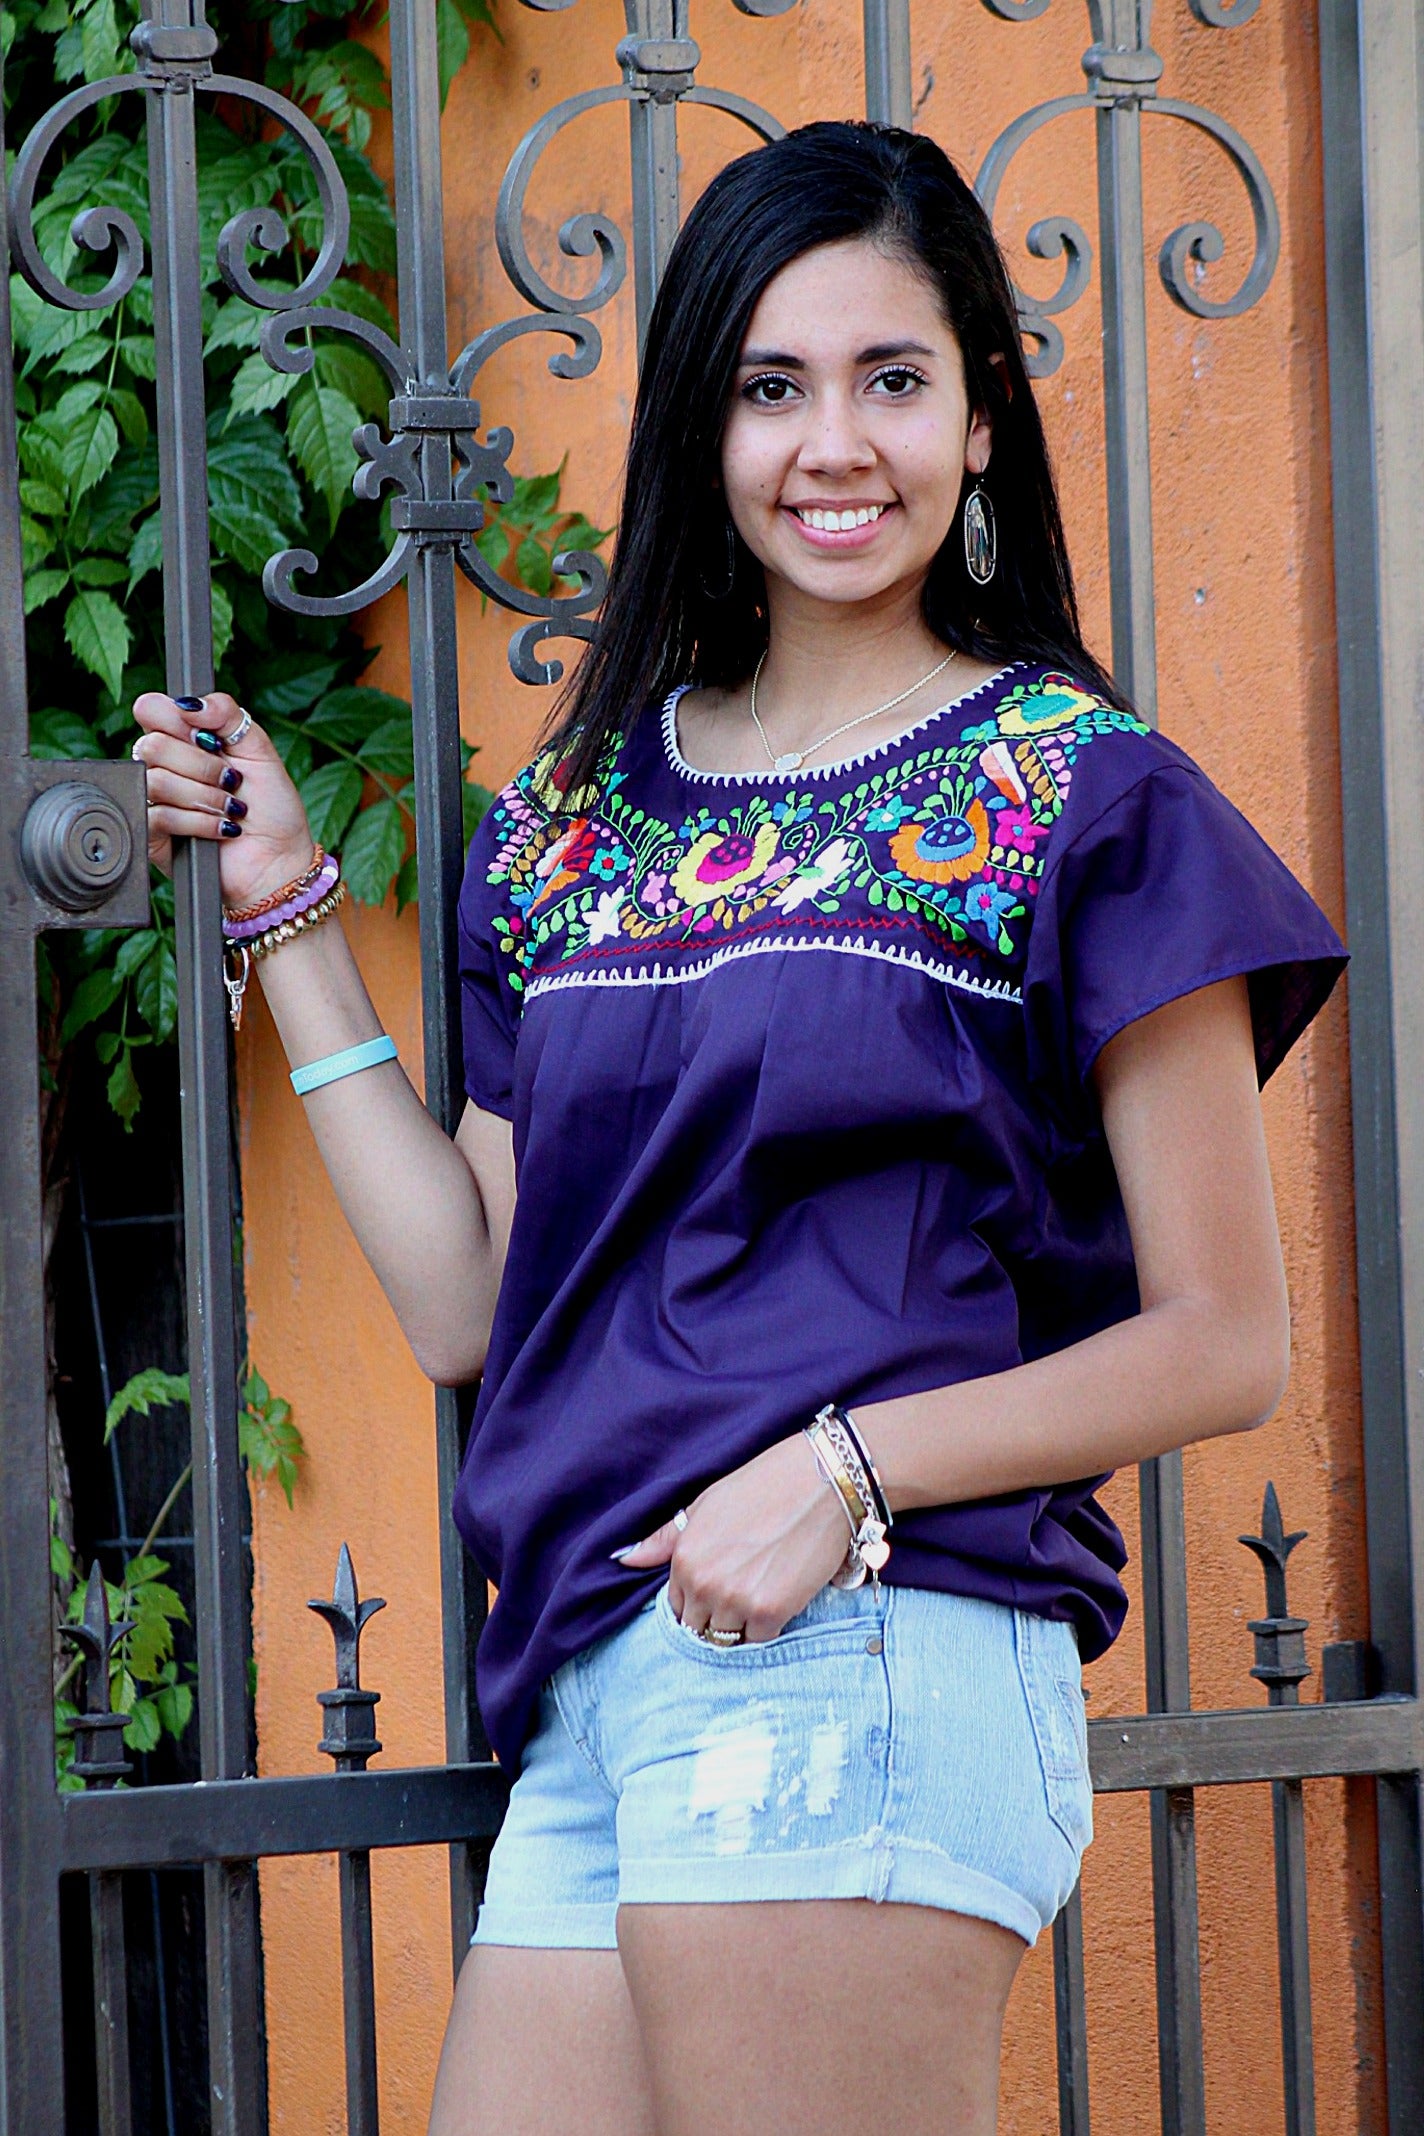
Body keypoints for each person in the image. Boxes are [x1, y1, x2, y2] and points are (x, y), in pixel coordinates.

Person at [132, 121, 1345, 2136]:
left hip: (866, 1644)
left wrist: (843, 1471)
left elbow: (1225, 1339)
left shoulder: (1080, 800)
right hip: (608, 1672)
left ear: (980, 416)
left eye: (892, 378)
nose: (831, 444)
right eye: (771, 386)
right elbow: (467, 1305)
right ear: (704, 422)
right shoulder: (579, 818)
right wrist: (288, 917)